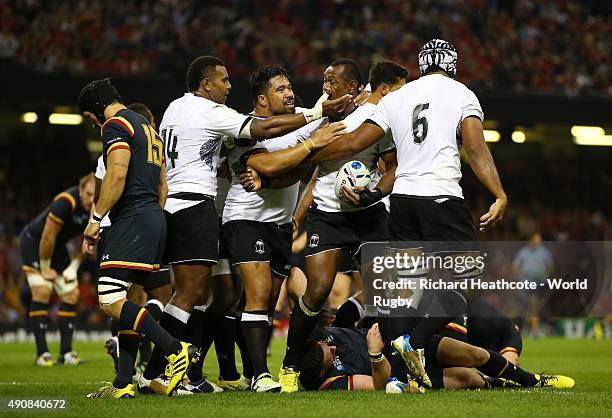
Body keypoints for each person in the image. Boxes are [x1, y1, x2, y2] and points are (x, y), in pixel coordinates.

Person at [140, 55, 351, 385]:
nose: (228, 86)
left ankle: (190, 372)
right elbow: (267, 148)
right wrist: (312, 141)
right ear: (206, 83)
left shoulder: (175, 109)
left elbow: (286, 166)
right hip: (220, 213)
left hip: (237, 216)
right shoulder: (223, 118)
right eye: (223, 80)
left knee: (231, 299)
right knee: (209, 296)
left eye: (290, 86)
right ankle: (171, 372)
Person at [309, 39, 508, 386]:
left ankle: (399, 381)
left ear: (421, 65)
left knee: (405, 293)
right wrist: (499, 194)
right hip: (441, 198)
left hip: (402, 203)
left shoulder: (398, 97)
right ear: (452, 64)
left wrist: (308, 149)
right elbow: (475, 148)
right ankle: (412, 343)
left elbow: (357, 140)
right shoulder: (462, 94)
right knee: (465, 281)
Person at [266, 59, 406, 393]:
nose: (326, 86)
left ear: (354, 87)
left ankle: (396, 369)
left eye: (333, 81)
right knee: (316, 292)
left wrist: (373, 194)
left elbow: (392, 167)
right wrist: (296, 214)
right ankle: (290, 366)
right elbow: (308, 174)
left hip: (368, 215)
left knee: (387, 293)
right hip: (328, 216)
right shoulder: (319, 121)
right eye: (324, 80)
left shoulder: (377, 121)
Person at [222, 66, 345, 392]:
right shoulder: (242, 129)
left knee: (261, 300)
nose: (289, 93)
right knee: (259, 296)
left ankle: (249, 373)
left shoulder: (303, 118)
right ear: (262, 99)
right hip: (245, 219)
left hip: (280, 226)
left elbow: (293, 169)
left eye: (289, 87)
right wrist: (310, 147)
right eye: (280, 89)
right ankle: (262, 376)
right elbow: (267, 165)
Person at [78, 78, 197, 398]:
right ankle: (123, 383)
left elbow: (116, 174)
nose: (94, 125)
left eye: (92, 119)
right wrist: (152, 218)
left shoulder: (115, 124)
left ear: (98, 110)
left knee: (108, 299)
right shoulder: (146, 125)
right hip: (153, 218)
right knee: (131, 300)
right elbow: (162, 186)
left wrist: (95, 220)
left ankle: (175, 350)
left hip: (132, 219)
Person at [90, 102, 172, 377]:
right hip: (147, 223)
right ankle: (128, 375)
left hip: (121, 226)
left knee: (117, 300)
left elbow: (107, 183)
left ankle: (169, 351)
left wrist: (96, 220)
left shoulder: (115, 143)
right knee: (139, 299)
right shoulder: (153, 142)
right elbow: (163, 188)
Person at [299, 322, 574, 392]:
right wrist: (373, 354)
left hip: (406, 342)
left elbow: (298, 284)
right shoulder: (332, 382)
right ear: (325, 371)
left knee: (475, 354)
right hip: (403, 371)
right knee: (470, 380)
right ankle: (505, 381)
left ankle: (534, 380)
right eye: (330, 355)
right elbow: (378, 385)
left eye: (328, 344)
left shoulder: (316, 337)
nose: (333, 347)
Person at [19, 173, 95, 366]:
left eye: (94, 195)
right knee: (43, 290)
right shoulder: (65, 202)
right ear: (80, 191)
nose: (90, 199)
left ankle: (66, 353)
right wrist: (44, 268)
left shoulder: (97, 209)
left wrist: (74, 266)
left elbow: (88, 241)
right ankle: (42, 354)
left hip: (58, 247)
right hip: (35, 242)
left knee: (71, 294)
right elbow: (47, 236)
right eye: (87, 194)